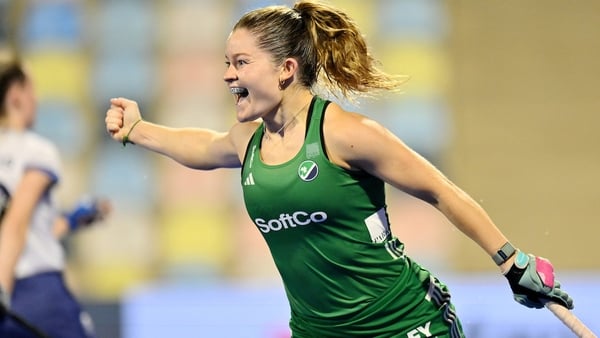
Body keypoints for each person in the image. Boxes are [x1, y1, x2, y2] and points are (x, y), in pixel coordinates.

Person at [105, 1, 573, 337]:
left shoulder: (346, 132)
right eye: (227, 63)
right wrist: (137, 129)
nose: (228, 75)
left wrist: (511, 262)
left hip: (403, 324)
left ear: (286, 69)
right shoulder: (249, 139)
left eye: (241, 63)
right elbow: (203, 147)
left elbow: (441, 191)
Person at [0, 49, 110, 338]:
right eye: (31, 88)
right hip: (37, 293)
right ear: (15, 95)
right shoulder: (36, 150)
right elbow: (16, 223)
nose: (36, 98)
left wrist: (72, 220)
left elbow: (28, 228)